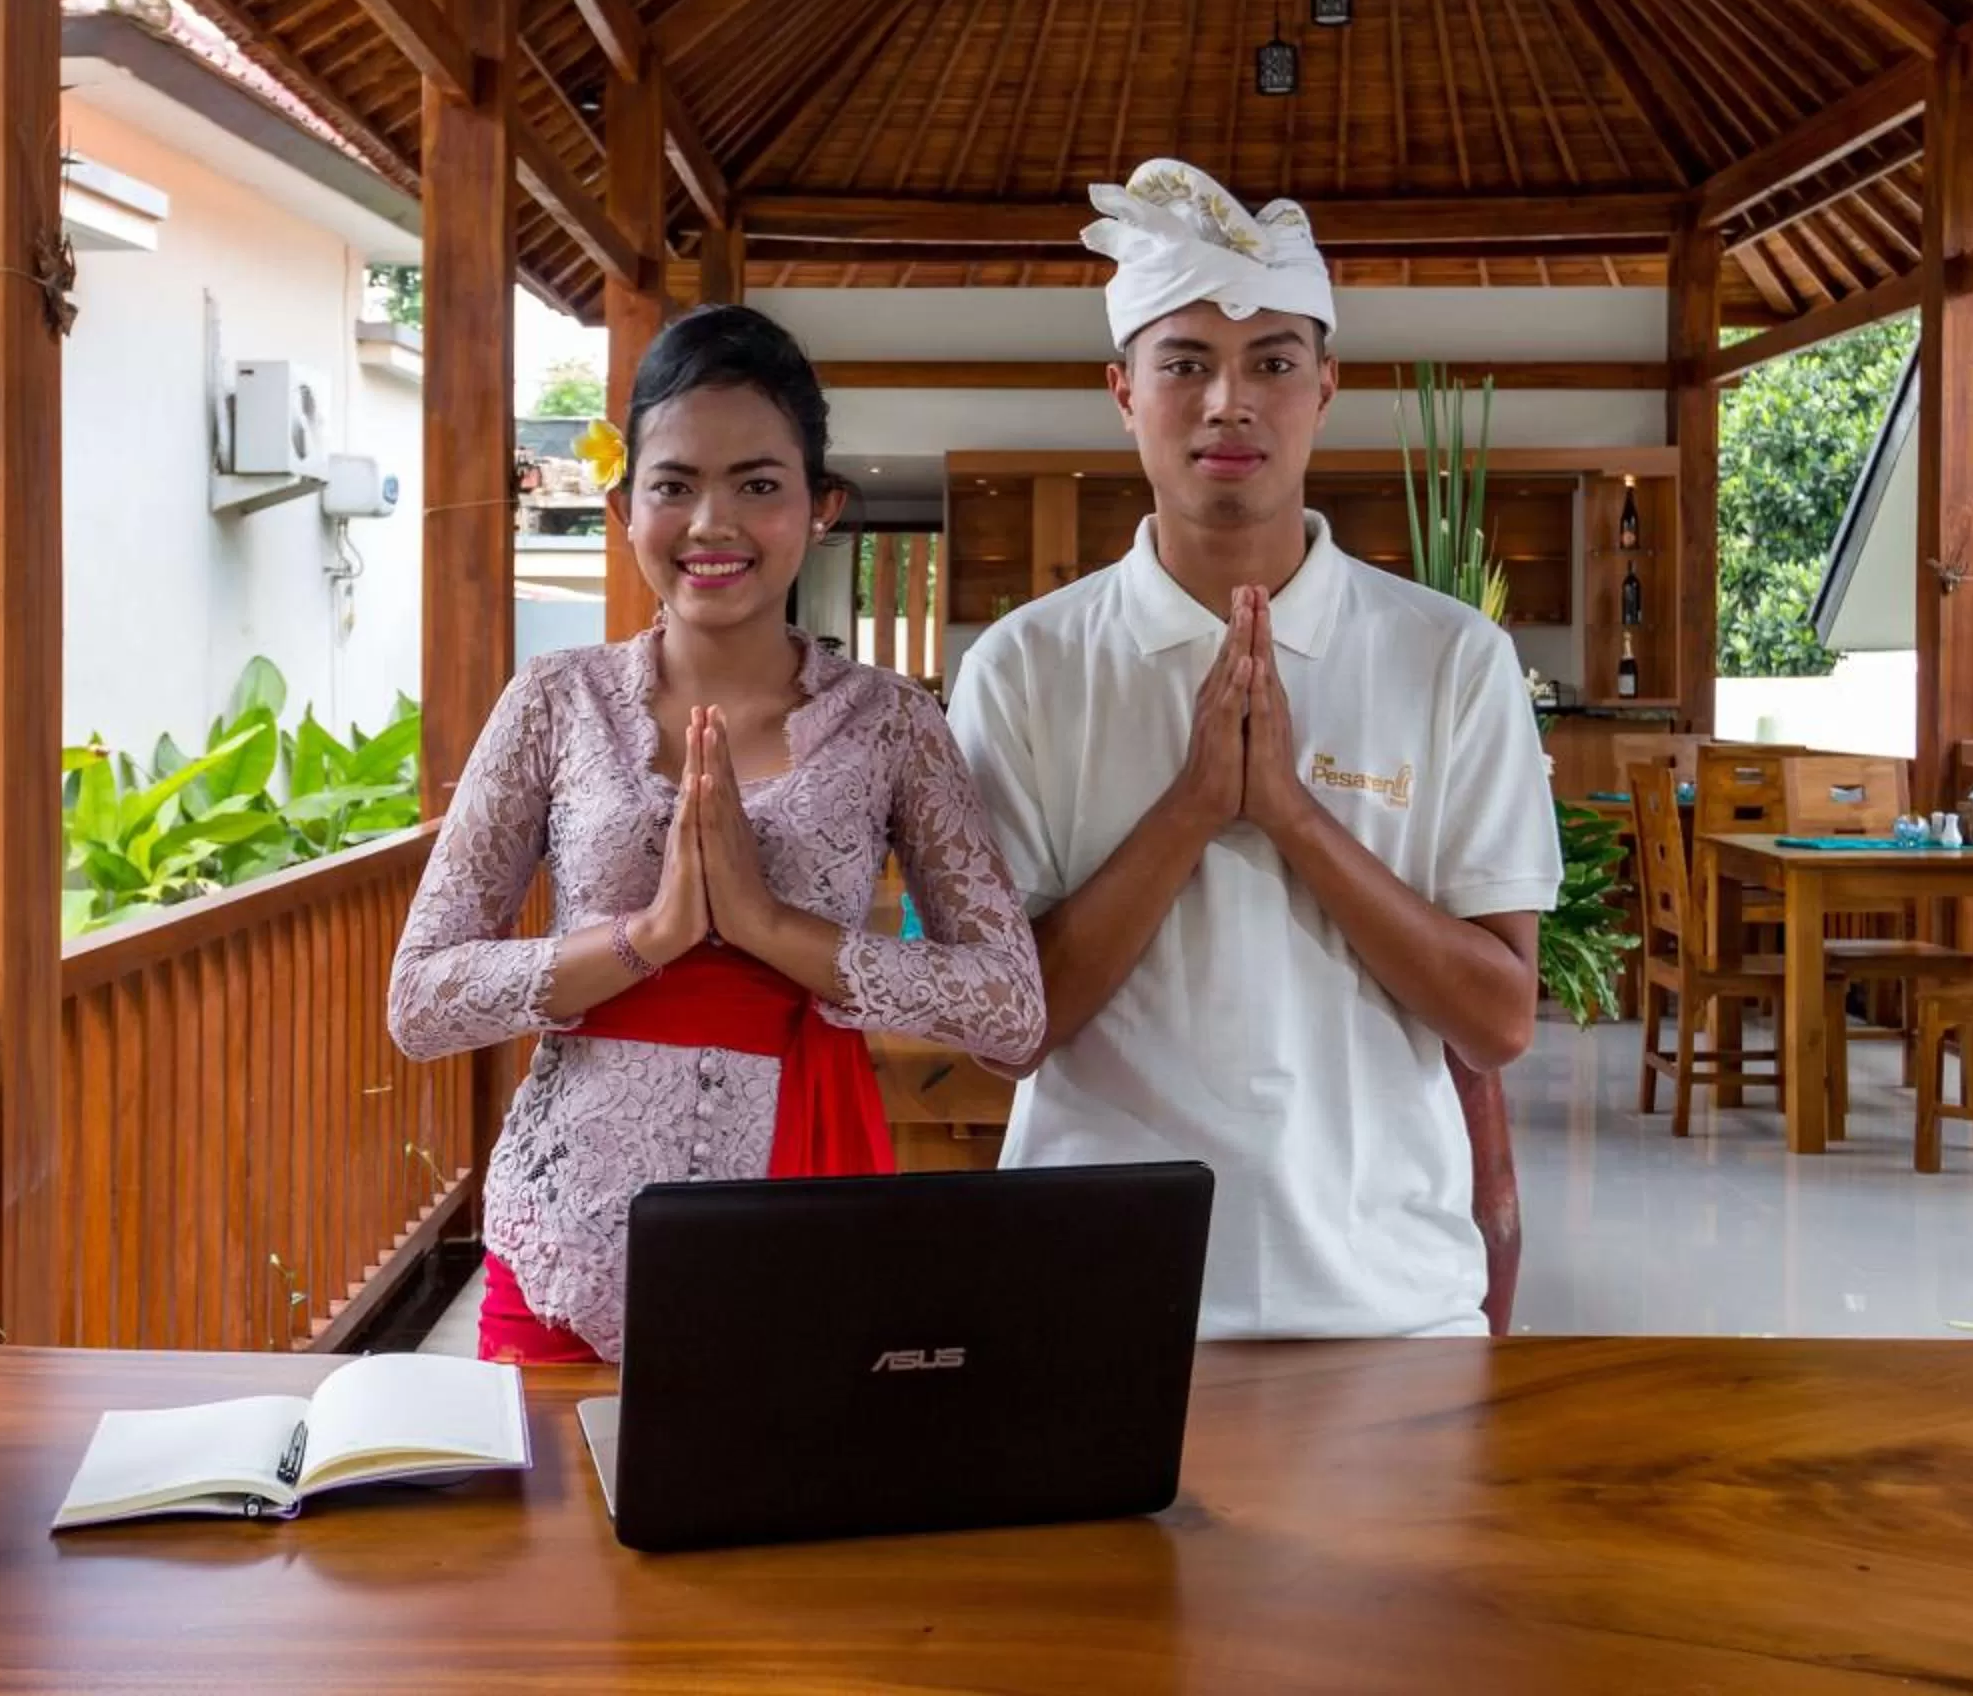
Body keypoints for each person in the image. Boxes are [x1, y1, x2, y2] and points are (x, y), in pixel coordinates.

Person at [947, 160, 1561, 1341]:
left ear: (1325, 388)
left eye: (1273, 361)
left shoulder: (1449, 657)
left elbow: (1499, 1018)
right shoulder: (1026, 667)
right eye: (1186, 362)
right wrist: (1190, 807)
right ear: (1122, 389)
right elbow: (1006, 1030)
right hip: (1090, 1295)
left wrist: (1292, 814)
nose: (1231, 400)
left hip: (1390, 1302)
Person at [389, 306, 1045, 1363]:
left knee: (794, 1506)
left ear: (820, 505)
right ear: (622, 506)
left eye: (758, 483)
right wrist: (647, 935)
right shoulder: (555, 700)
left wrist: (771, 927)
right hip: (567, 1222)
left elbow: (1013, 1011)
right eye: (675, 483)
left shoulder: (894, 723)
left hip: (807, 1201)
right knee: (544, 1527)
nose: (712, 521)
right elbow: (419, 999)